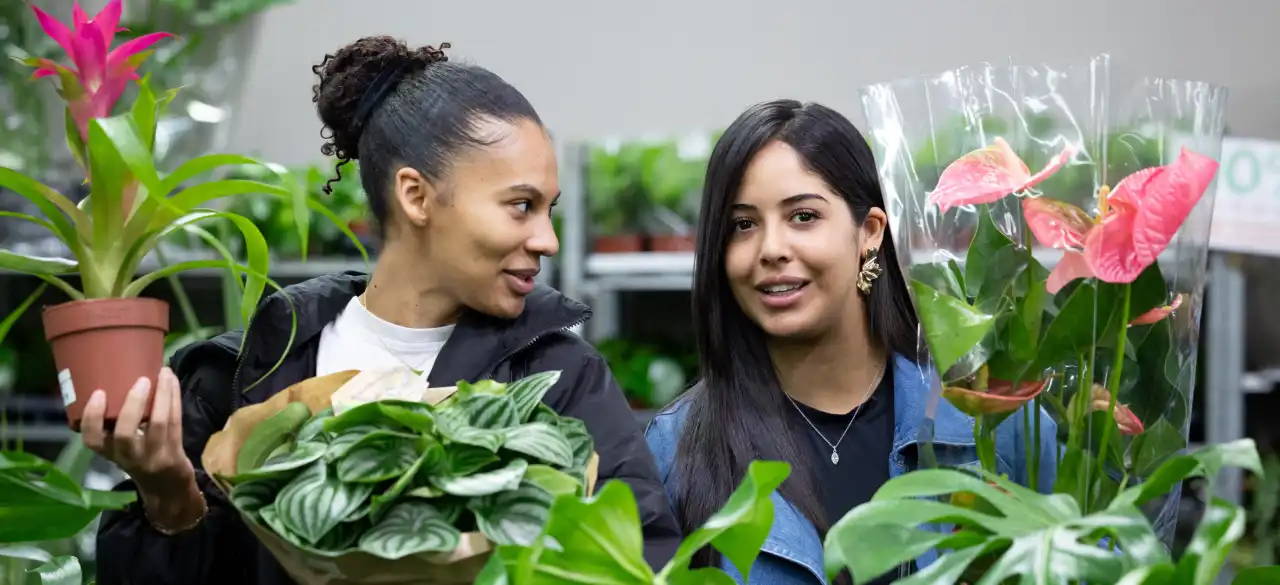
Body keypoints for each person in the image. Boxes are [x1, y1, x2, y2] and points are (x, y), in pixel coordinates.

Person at [88, 36, 681, 584]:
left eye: (547, 209)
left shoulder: (559, 378)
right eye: (520, 206)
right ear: (416, 196)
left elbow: (641, 554)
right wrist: (169, 497)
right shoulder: (247, 370)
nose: (548, 239)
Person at [644, 100, 1058, 584]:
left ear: (870, 233)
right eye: (743, 224)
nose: (772, 249)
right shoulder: (676, 451)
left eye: (802, 216)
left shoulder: (990, 425)